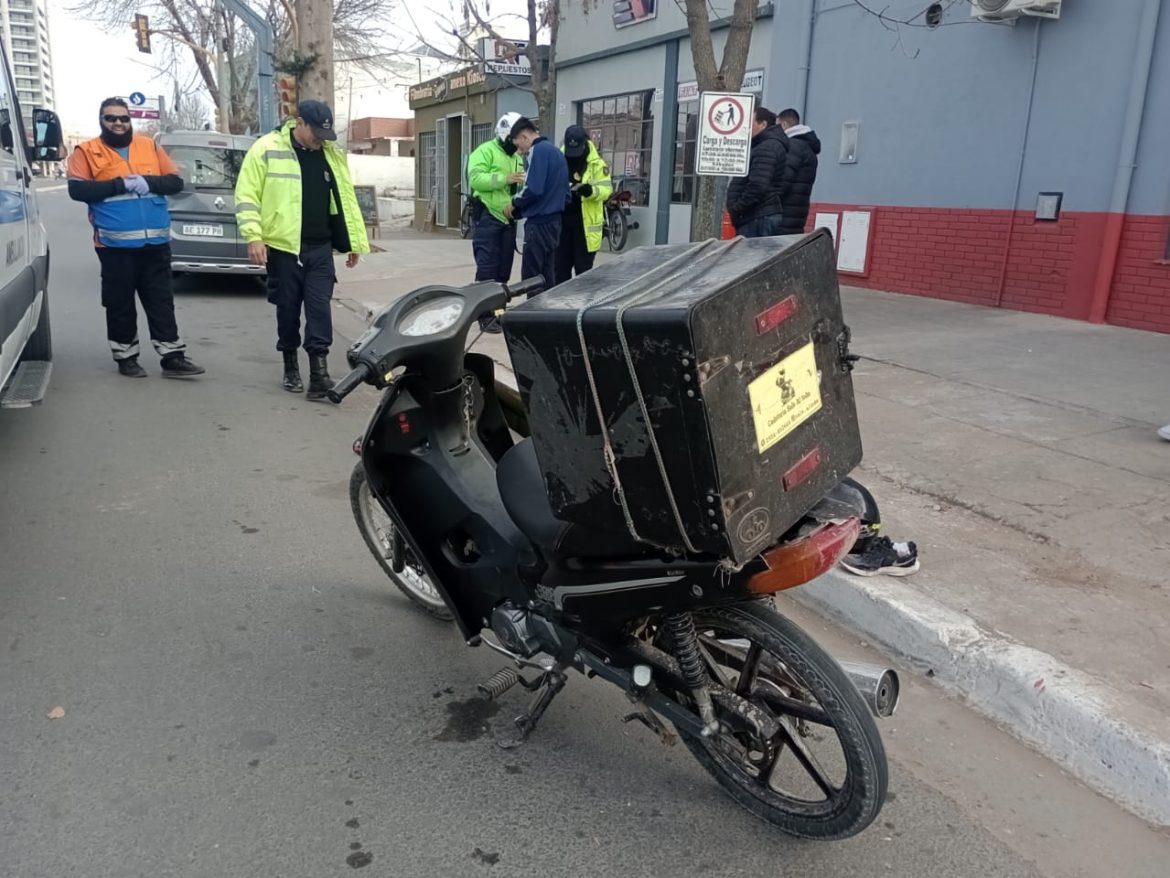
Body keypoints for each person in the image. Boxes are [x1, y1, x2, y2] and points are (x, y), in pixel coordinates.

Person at [236, 100, 369, 400]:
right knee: (288, 309)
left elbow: (345, 199)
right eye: (316, 132)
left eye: (325, 133)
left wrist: (353, 241)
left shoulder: (331, 154)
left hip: (320, 247)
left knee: (320, 308)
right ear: (300, 122)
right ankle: (290, 364)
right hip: (284, 248)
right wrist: (254, 237)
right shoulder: (266, 148)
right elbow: (246, 195)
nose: (320, 138)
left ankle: (319, 373)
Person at [66, 97, 204, 378]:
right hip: (114, 245)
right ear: (101, 121)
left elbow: (175, 182)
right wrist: (118, 184)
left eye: (123, 118)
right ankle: (126, 357)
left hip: (155, 243)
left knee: (161, 301)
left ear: (130, 120)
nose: (118, 123)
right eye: (111, 118)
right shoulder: (87, 151)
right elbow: (78, 191)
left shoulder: (149, 145)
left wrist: (149, 182)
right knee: (120, 303)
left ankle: (172, 356)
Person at [468, 112, 525, 332]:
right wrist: (504, 179)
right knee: (487, 268)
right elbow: (476, 178)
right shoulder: (485, 152)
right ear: (503, 136)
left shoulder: (517, 157)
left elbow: (517, 187)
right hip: (488, 216)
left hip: (508, 219)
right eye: (513, 138)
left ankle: (499, 311)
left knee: (504, 270)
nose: (516, 143)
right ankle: (484, 315)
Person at [504, 117, 568, 291]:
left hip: (538, 226)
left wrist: (514, 203)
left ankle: (531, 316)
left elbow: (533, 188)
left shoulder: (536, 151)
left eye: (519, 145)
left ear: (525, 137)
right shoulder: (557, 153)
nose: (520, 151)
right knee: (548, 273)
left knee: (532, 278)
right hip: (555, 224)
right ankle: (546, 315)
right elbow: (566, 194)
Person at [555, 126, 612, 286]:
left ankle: (580, 308)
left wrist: (590, 191)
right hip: (562, 225)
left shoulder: (597, 164)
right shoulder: (558, 159)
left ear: (586, 143)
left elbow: (607, 190)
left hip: (585, 227)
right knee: (559, 270)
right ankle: (559, 308)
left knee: (584, 272)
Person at [725, 107, 792, 239]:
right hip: (757, 216)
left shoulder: (767, 147)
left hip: (757, 218)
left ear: (763, 124)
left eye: (750, 123)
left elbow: (758, 185)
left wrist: (737, 208)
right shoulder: (763, 145)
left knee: (751, 258)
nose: (746, 128)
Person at [777, 108, 821, 236]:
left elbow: (784, 180)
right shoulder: (808, 148)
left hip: (783, 213)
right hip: (797, 213)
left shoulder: (793, 146)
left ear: (784, 125)